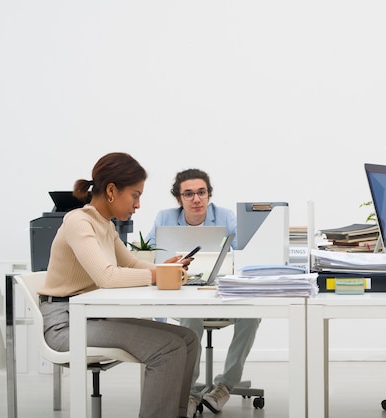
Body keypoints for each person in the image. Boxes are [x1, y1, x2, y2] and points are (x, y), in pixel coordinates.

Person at [38, 152, 200, 418]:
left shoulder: (106, 226)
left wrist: (165, 269)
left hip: (90, 317)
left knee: (188, 339)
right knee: (168, 348)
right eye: (135, 195)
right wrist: (157, 276)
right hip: (65, 325)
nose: (137, 204)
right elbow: (108, 276)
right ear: (112, 190)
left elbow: (132, 264)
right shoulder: (78, 221)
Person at [145, 168, 260, 414]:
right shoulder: (164, 219)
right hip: (182, 294)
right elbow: (147, 255)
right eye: (188, 194)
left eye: (201, 192)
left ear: (209, 195)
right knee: (191, 314)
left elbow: (241, 257)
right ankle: (190, 392)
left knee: (253, 314)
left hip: (221, 294)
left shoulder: (226, 217)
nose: (196, 199)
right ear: (179, 199)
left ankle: (225, 385)